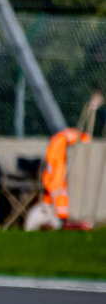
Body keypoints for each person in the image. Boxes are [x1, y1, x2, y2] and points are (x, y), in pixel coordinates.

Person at [43, 93, 104, 223]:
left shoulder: (61, 141)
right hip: (57, 185)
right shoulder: (59, 142)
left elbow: (85, 139)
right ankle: (58, 218)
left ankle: (61, 218)